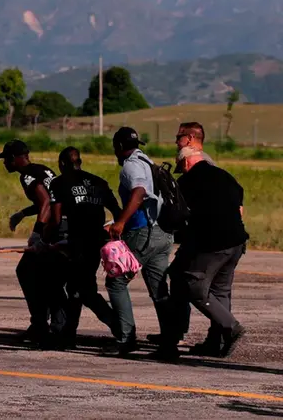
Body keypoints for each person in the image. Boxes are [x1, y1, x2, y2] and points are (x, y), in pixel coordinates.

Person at [157, 122, 249, 360]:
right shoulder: (227, 178)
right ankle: (216, 343)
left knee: (193, 286)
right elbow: (239, 209)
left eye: (178, 138)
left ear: (187, 149)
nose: (176, 141)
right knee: (220, 291)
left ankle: (231, 327)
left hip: (214, 243)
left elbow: (175, 216)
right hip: (237, 243)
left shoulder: (189, 182)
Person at [105, 126, 174, 356]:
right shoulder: (147, 160)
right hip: (162, 234)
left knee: (116, 280)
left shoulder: (131, 165)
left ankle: (126, 339)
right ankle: (169, 344)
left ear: (118, 147)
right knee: (159, 290)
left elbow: (139, 192)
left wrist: (120, 222)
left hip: (142, 232)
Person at [46, 146, 119, 348]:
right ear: (80, 162)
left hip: (76, 244)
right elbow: (117, 211)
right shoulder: (99, 183)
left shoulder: (59, 183)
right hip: (96, 243)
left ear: (62, 164)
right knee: (78, 288)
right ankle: (68, 334)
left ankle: (119, 326)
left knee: (77, 289)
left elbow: (56, 218)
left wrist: (47, 239)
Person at [0, 139, 64, 347]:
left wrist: (37, 235)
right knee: (49, 276)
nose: (5, 163)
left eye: (6, 159)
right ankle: (54, 325)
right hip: (63, 226)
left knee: (26, 271)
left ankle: (40, 325)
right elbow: (49, 200)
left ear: (17, 159)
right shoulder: (43, 170)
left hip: (52, 230)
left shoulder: (27, 176)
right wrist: (22, 213)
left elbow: (45, 202)